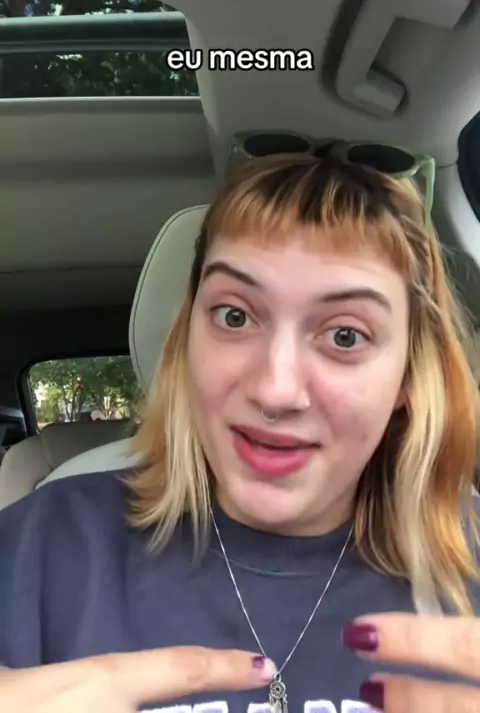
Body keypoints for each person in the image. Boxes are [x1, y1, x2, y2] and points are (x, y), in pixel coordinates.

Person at [1, 141, 480, 713]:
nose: (275, 391)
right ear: (187, 339)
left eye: (345, 335)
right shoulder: (37, 547)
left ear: (408, 375)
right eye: (235, 316)